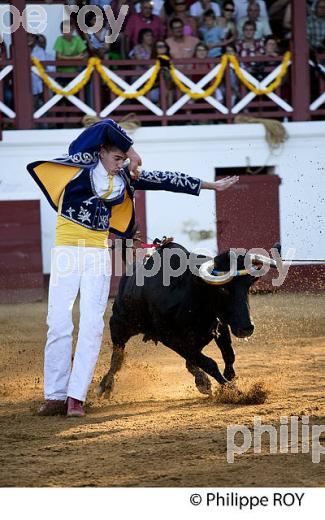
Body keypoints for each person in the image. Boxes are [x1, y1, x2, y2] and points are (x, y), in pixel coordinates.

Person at [27, 119, 238, 418]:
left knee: (92, 325)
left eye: (123, 160)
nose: (121, 164)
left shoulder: (126, 178)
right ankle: (55, 396)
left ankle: (76, 397)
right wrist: (133, 151)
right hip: (66, 253)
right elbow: (105, 125)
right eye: (117, 158)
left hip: (98, 256)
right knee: (59, 323)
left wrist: (209, 185)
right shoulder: (80, 163)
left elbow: (166, 179)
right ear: (101, 152)